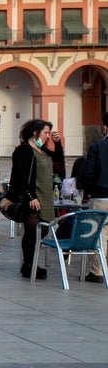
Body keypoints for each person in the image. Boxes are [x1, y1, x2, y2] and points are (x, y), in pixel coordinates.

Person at [9, 118, 55, 280]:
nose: (47, 136)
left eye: (49, 133)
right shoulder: (24, 150)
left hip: (45, 195)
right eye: (45, 133)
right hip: (32, 197)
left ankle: (32, 262)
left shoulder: (42, 149)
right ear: (35, 132)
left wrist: (58, 144)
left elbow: (57, 163)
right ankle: (28, 264)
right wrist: (30, 196)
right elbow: (21, 177)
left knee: (43, 229)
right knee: (32, 230)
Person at [80, 111, 108, 284]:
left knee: (99, 233)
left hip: (101, 197)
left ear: (105, 127)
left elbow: (88, 173)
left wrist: (89, 190)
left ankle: (97, 271)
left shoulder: (97, 147)